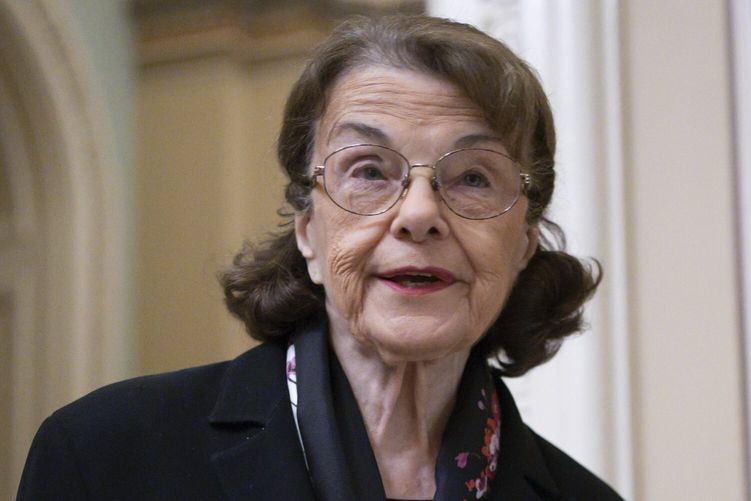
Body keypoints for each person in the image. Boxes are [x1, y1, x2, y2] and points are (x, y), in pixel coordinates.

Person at [17, 14, 624, 501]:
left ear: (523, 242)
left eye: (472, 178)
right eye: (368, 170)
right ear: (308, 230)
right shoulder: (104, 455)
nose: (418, 214)